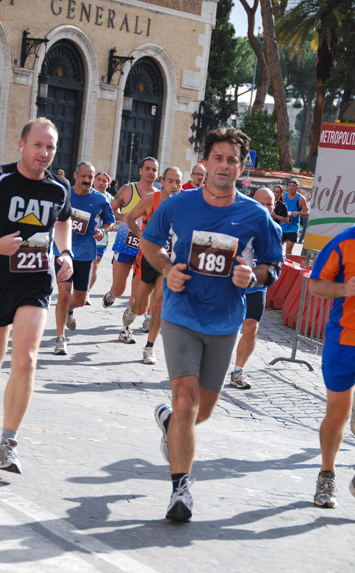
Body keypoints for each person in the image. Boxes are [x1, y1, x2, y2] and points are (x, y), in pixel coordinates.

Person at [140, 128, 283, 522]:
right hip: (181, 314)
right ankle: (180, 490)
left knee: (198, 412)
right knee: (186, 399)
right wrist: (168, 270)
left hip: (225, 322)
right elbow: (150, 243)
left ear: (242, 166)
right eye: (217, 158)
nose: (223, 166)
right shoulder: (177, 205)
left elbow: (274, 267)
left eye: (231, 160)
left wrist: (252, 277)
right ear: (205, 162)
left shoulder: (256, 215)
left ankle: (170, 423)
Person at [0, 117, 73, 474]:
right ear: (22, 145)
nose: (44, 153)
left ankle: (8, 443)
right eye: (37, 145)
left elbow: (63, 221)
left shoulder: (60, 188)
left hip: (35, 283)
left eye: (50, 147)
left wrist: (64, 254)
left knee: (26, 360)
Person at [309, 228, 355, 508]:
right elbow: (315, 285)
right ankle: (327, 473)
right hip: (344, 340)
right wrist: (344, 289)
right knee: (337, 416)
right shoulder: (344, 241)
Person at [121, 166, 183, 364]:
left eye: (178, 182)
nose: (174, 186)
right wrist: (141, 237)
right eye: (170, 181)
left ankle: (149, 347)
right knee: (141, 308)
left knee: (159, 304)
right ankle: (131, 312)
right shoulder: (150, 199)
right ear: (162, 181)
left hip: (170, 262)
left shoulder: (186, 205)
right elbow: (130, 218)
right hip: (147, 259)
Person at [54, 162, 115, 355]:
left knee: (79, 300)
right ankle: (60, 339)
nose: (88, 180)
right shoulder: (65, 194)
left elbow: (110, 221)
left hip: (86, 254)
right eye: (84, 177)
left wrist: (102, 231)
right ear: (75, 175)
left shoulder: (100, 199)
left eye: (91, 177)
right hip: (63, 252)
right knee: (63, 294)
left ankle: (68, 310)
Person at [102, 156, 159, 344]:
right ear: (140, 170)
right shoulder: (128, 190)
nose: (151, 172)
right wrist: (123, 217)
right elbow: (110, 211)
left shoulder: (158, 196)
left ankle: (126, 329)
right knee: (119, 289)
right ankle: (111, 293)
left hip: (145, 250)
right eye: (148, 168)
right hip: (124, 245)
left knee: (137, 291)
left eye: (154, 170)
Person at [230, 187, 281, 389]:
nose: (265, 208)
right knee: (226, 326)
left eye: (269, 204)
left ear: (274, 205)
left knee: (251, 326)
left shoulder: (275, 229)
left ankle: (237, 371)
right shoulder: (240, 223)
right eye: (261, 204)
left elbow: (276, 265)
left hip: (256, 286)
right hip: (233, 283)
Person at [88, 171, 114, 303]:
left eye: (105, 180)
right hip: (84, 237)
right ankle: (78, 287)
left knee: (94, 264)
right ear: (94, 181)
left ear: (108, 184)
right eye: (99, 179)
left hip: (101, 239)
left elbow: (114, 220)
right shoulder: (86, 194)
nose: (101, 182)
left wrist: (105, 229)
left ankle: (87, 291)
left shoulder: (110, 199)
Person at [280, 179, 309, 254]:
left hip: (293, 228)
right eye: (290, 186)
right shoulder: (283, 196)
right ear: (287, 187)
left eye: (294, 186)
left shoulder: (301, 198)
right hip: (282, 226)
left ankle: (287, 264)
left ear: (297, 188)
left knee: (288, 250)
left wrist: (299, 213)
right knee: (277, 248)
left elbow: (307, 212)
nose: (291, 188)